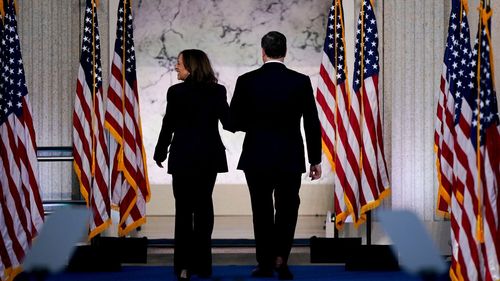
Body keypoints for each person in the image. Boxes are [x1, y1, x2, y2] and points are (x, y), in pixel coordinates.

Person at [229, 31, 322, 280]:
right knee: (287, 209)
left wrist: (256, 122)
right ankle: (281, 258)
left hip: (256, 156)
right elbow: (312, 124)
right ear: (285, 51)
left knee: (261, 210)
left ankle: (264, 262)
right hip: (289, 157)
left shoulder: (246, 80)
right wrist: (315, 159)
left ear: (263, 51)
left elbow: (234, 121)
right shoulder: (300, 81)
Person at [154, 49, 230, 281]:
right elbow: (228, 121)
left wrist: (160, 152)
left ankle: (184, 266)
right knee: (204, 208)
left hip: (183, 158)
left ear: (191, 65)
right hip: (209, 158)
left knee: (184, 211)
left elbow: (169, 125)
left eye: (179, 63)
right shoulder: (218, 91)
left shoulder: (176, 92)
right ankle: (204, 265)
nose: (176, 67)